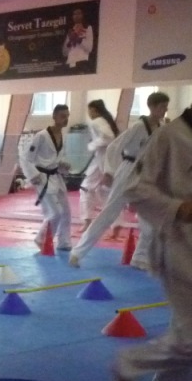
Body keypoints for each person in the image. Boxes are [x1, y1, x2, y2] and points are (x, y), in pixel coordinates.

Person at [112, 102, 192, 381]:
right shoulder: (169, 136)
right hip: (178, 246)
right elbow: (134, 188)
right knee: (190, 338)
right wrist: (178, 207)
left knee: (187, 334)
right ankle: (129, 363)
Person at [69, 92, 169, 268]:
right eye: (162, 107)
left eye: (166, 107)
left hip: (146, 174)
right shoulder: (139, 126)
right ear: (151, 107)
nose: (165, 110)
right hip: (128, 170)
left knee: (149, 217)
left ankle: (140, 258)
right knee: (109, 213)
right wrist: (109, 171)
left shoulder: (161, 127)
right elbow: (114, 147)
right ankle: (77, 252)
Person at [20, 104, 74, 251]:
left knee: (66, 212)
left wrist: (63, 166)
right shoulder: (42, 136)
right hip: (42, 178)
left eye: (67, 116)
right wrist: (33, 175)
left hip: (56, 177)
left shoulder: (63, 136)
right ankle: (41, 239)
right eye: (62, 116)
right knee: (55, 213)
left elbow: (55, 160)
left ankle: (64, 242)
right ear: (54, 117)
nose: (65, 119)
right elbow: (25, 157)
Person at [78, 98, 119, 231]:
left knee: (87, 188)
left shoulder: (97, 121)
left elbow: (109, 137)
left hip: (103, 160)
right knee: (104, 191)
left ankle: (88, 220)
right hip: (106, 159)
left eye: (89, 110)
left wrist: (92, 145)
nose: (89, 113)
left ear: (94, 110)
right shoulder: (106, 120)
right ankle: (115, 223)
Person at [63, 7, 94, 72]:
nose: (76, 16)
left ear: (83, 15)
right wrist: (70, 41)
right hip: (70, 64)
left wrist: (78, 39)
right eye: (74, 14)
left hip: (82, 63)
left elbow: (89, 48)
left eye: (79, 13)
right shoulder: (70, 30)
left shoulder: (88, 28)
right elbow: (65, 53)